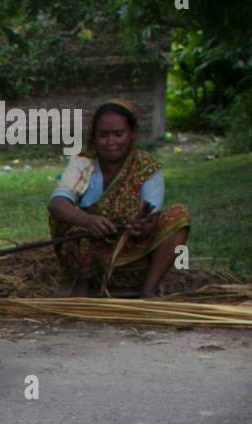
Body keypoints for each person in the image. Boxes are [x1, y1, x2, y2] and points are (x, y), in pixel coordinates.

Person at [47, 100, 190, 298]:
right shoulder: (83, 163)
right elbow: (57, 203)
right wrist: (88, 221)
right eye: (103, 135)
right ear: (94, 137)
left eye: (118, 134)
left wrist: (141, 228)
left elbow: (151, 220)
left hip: (133, 255)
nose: (110, 142)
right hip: (91, 256)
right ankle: (82, 289)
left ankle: (148, 289)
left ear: (132, 134)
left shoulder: (146, 168)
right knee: (70, 222)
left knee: (179, 215)